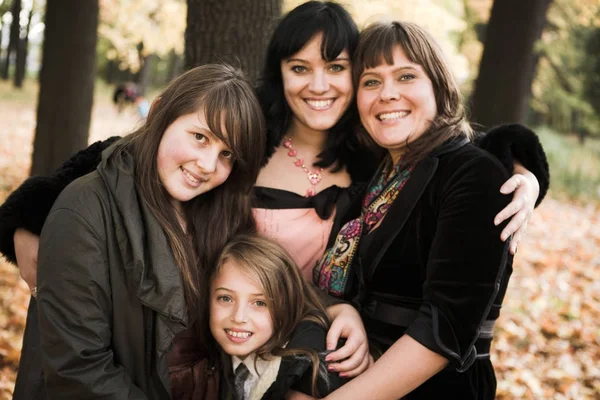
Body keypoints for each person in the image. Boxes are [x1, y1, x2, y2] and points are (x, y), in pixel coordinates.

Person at [0, 2, 547, 398]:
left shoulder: (372, 155)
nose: (320, 85)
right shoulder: (244, 135)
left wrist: (525, 172)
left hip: (314, 358)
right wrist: (27, 219)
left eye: (338, 69)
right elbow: (130, 154)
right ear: (279, 74)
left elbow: (460, 150)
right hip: (213, 347)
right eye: (300, 68)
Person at [312, 20, 543, 399]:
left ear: (438, 87)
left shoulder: (475, 174)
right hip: (358, 372)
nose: (387, 93)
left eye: (405, 76)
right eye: (371, 81)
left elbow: (446, 325)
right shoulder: (380, 175)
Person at [36, 63, 267, 399]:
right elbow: (78, 369)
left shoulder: (220, 211)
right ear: (160, 112)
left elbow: (265, 287)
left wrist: (335, 310)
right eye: (200, 137)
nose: (208, 165)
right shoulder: (84, 210)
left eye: (226, 153)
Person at [209, 234, 346, 399]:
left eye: (260, 303)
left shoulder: (313, 369)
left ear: (287, 305)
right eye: (226, 298)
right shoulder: (213, 356)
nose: (238, 317)